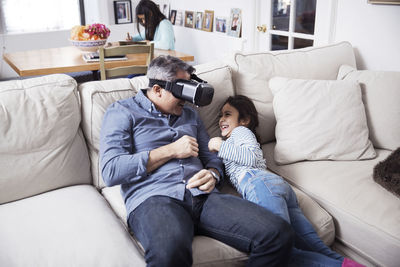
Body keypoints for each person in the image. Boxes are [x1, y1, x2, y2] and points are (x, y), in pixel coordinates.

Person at [100, 55, 295, 267]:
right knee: (169, 252)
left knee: (278, 233)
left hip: (203, 195)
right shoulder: (122, 111)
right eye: (180, 93)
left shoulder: (190, 115)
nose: (187, 100)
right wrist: (171, 150)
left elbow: (211, 156)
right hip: (155, 198)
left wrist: (213, 173)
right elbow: (111, 171)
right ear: (157, 90)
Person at [208, 95, 366, 267]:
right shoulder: (236, 139)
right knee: (318, 249)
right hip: (276, 187)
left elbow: (251, 157)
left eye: (227, 114)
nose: (222, 119)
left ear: (245, 120)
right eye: (220, 116)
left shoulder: (240, 132)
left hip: (259, 184)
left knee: (279, 249)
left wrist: (219, 145)